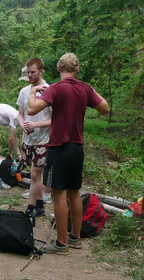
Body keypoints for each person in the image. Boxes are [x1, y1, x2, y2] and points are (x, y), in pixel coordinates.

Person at [27, 53, 110, 255]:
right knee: (74, 193)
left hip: (58, 146)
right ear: (77, 69)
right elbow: (105, 109)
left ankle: (61, 243)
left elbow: (31, 110)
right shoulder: (85, 88)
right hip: (76, 148)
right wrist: (89, 89)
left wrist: (34, 91)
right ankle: (75, 238)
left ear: (58, 68)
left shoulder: (56, 88)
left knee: (58, 194)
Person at [16, 58, 52, 217]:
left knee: (34, 175)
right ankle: (40, 205)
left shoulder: (50, 91)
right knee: (35, 175)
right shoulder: (24, 91)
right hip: (27, 140)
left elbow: (56, 119)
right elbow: (20, 114)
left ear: (41, 71)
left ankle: (31, 208)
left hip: (43, 140)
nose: (29, 75)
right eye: (28, 72)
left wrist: (36, 125)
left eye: (33, 72)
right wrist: (23, 124)